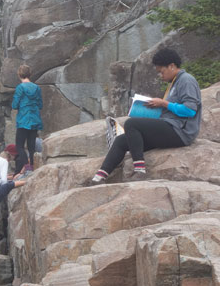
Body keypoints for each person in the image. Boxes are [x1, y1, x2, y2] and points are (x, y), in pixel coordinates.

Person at [85, 48, 201, 185]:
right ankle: (98, 178)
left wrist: (164, 103)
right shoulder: (174, 83)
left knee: (131, 124)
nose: (160, 76)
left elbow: (190, 110)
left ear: (172, 66)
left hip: (180, 132)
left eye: (161, 72)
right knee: (122, 140)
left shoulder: (186, 80)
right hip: (171, 128)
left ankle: (140, 171)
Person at [11, 64, 43, 173]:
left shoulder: (20, 88)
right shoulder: (36, 87)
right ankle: (32, 166)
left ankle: (27, 168)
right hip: (34, 119)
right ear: (30, 74)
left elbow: (15, 105)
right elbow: (40, 105)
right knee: (31, 146)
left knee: (19, 146)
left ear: (19, 74)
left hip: (23, 120)